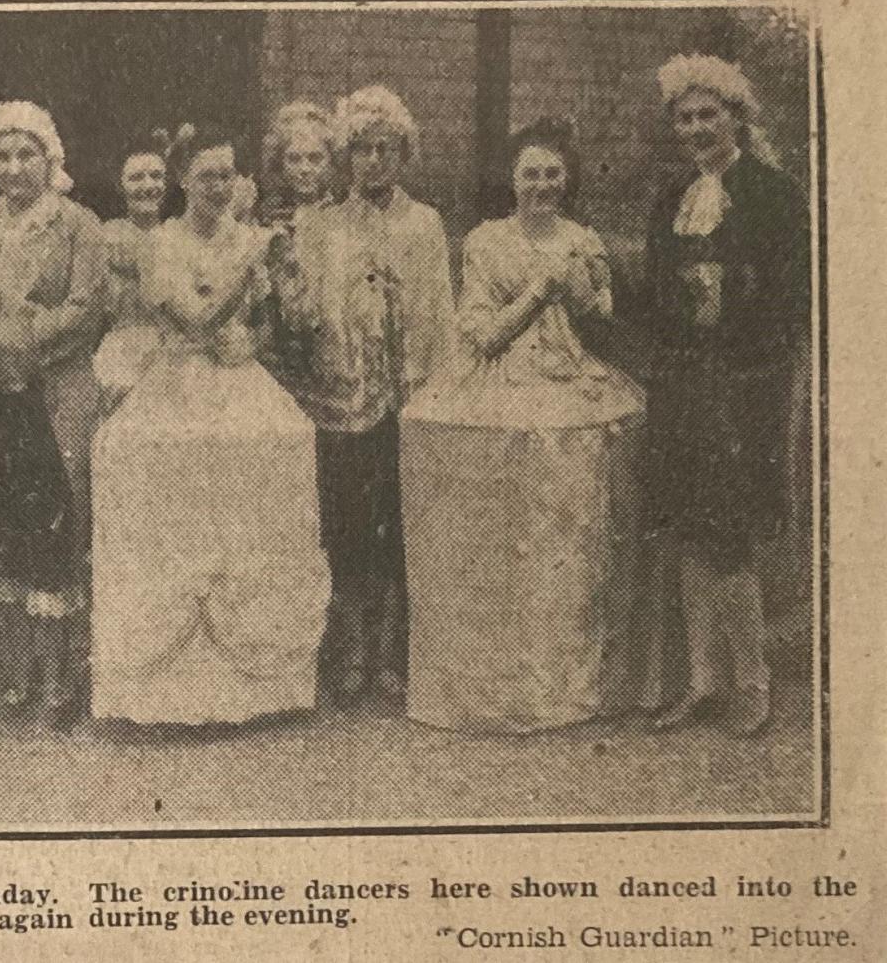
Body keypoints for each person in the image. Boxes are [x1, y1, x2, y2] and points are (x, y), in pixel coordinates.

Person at [401, 118, 660, 733]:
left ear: (566, 179)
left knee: (569, 538)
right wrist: (541, 291)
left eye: (551, 173)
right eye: (529, 173)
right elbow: (483, 333)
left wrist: (582, 293)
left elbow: (603, 319)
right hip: (501, 385)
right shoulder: (487, 242)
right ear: (512, 180)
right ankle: (499, 678)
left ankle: (569, 676)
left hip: (572, 382)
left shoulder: (583, 240)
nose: (540, 184)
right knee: (504, 537)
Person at [92, 126, 330, 725]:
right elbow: (193, 319)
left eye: (227, 175)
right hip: (177, 378)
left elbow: (277, 324)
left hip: (237, 380)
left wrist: (255, 331)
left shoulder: (253, 239)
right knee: (161, 479)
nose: (219, 187)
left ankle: (263, 685)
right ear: (182, 181)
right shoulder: (163, 243)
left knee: (269, 464)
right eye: (206, 177)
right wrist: (247, 267)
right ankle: (162, 689)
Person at [643, 55, 808, 739]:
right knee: (688, 522)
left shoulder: (772, 191)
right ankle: (702, 682)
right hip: (685, 376)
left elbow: (792, 292)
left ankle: (753, 681)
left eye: (709, 114)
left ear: (736, 116)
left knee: (730, 529)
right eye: (685, 117)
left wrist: (729, 295)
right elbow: (657, 287)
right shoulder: (672, 195)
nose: (697, 127)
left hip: (746, 377)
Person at [288, 86, 454, 704]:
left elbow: (440, 310)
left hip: (407, 394)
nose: (374, 162)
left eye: (385, 150)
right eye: (361, 150)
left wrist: (429, 388)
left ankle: (391, 651)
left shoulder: (424, 224)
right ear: (346, 157)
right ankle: (351, 650)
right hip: (343, 397)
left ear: (402, 155)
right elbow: (307, 312)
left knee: (398, 523)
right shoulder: (323, 224)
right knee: (348, 525)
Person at [0, 101, 107, 724]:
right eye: (3, 156)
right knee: (6, 522)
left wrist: (14, 338)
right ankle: (15, 666)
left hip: (53, 389)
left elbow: (84, 309)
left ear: (50, 158)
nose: (16, 168)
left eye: (28, 154)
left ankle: (61, 675)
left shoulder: (76, 224)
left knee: (58, 521)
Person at [256, 101, 339, 401]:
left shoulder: (344, 218)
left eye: (315, 158)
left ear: (331, 161)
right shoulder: (264, 219)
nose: (305, 169)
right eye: (294, 159)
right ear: (280, 162)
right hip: (278, 354)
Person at [92, 134, 177, 405]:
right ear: (120, 185)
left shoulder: (179, 236)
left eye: (156, 176)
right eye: (136, 177)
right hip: (120, 352)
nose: (148, 185)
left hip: (173, 355)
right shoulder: (105, 237)